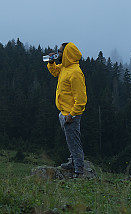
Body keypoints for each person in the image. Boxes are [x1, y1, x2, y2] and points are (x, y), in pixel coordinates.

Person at [46, 42, 87, 177]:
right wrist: (51, 63)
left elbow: (81, 99)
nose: (58, 53)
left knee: (74, 142)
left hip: (71, 115)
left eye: (60, 52)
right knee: (71, 140)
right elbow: (55, 72)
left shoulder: (75, 72)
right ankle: (73, 162)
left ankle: (79, 171)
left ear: (67, 54)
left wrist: (72, 114)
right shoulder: (65, 67)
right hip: (64, 112)